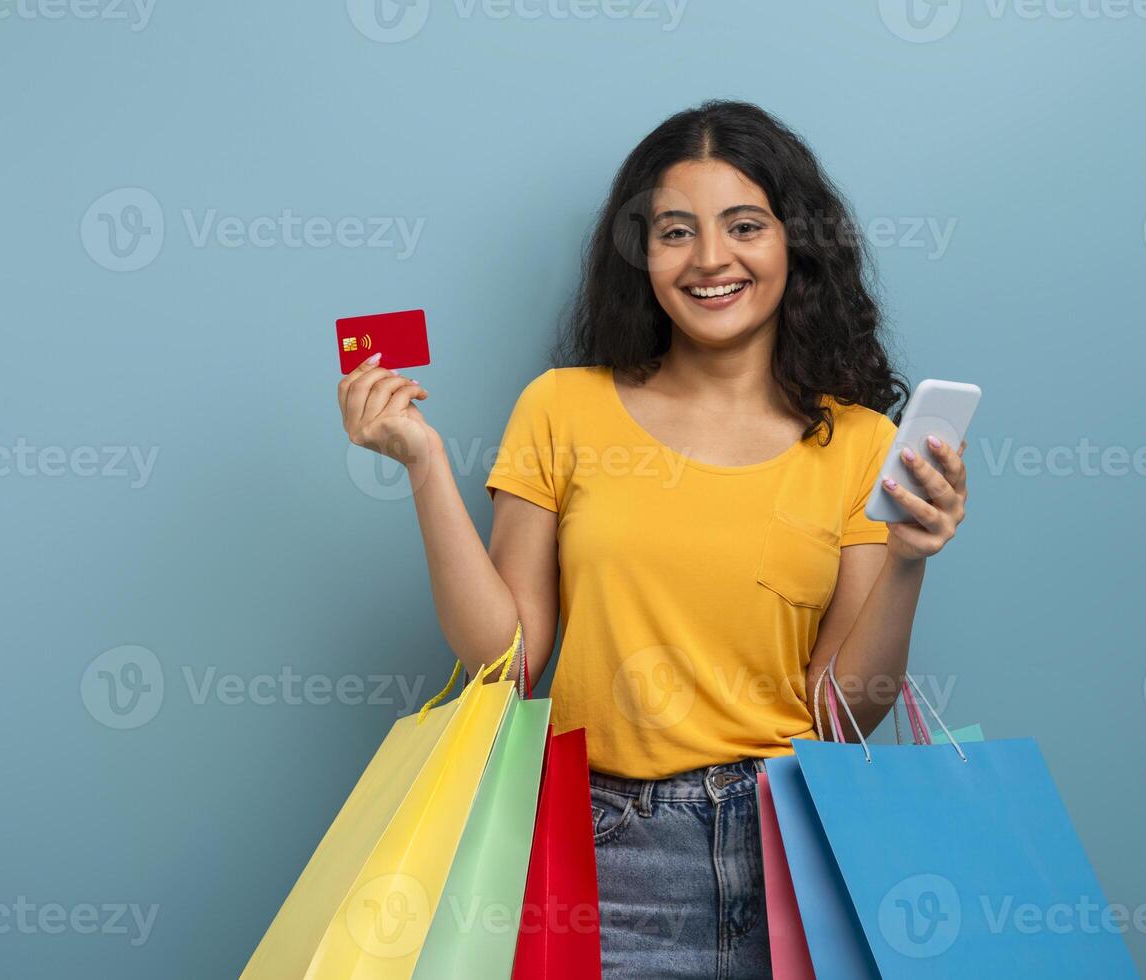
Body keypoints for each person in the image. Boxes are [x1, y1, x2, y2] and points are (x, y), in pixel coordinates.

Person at [335, 99, 968, 979]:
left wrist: (907, 560)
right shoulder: (562, 407)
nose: (711, 259)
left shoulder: (861, 443)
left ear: (795, 244)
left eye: (744, 225)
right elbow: (507, 662)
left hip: (802, 851)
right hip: (610, 853)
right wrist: (424, 464)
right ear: (642, 255)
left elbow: (843, 710)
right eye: (677, 231)